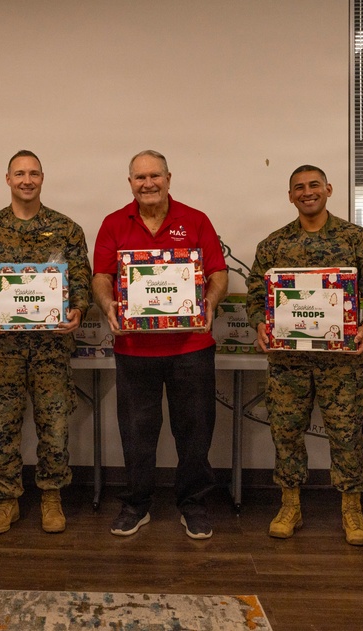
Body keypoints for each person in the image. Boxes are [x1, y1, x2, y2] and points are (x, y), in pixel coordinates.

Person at [245, 165, 363, 545]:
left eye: (314, 185)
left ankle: (352, 509)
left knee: (347, 436)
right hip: (287, 364)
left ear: (328, 189)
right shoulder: (273, 245)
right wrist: (259, 324)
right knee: (286, 434)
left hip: (341, 363)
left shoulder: (356, 240)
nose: (307, 192)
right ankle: (290, 504)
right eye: (299, 187)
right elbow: (255, 296)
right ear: (290, 195)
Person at [92, 150, 228, 540]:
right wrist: (108, 303)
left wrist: (210, 303)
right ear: (130, 182)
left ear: (169, 178)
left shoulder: (196, 220)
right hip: (134, 349)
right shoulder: (114, 223)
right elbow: (101, 275)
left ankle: (193, 505)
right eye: (139, 177)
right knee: (136, 434)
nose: (148, 183)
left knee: (195, 432)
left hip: (191, 347)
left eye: (155, 176)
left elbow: (218, 272)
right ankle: (136, 505)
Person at [0, 150, 91, 535]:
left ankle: (51, 497)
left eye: (33, 173)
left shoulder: (67, 229)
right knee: (1, 424)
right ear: (8, 179)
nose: (27, 180)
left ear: (42, 178)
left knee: (55, 424)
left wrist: (78, 310)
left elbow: (81, 278)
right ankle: (6, 500)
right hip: (3, 348)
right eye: (20, 173)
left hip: (52, 348)